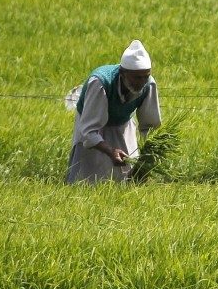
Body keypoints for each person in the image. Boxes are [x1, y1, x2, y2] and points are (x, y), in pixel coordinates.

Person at [66, 40, 162, 184]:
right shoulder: (100, 82)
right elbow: (89, 130)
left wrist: (147, 158)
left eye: (145, 76)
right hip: (93, 126)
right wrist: (110, 151)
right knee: (86, 179)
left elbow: (149, 125)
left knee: (125, 175)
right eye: (137, 77)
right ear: (122, 73)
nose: (141, 82)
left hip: (122, 125)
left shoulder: (148, 84)